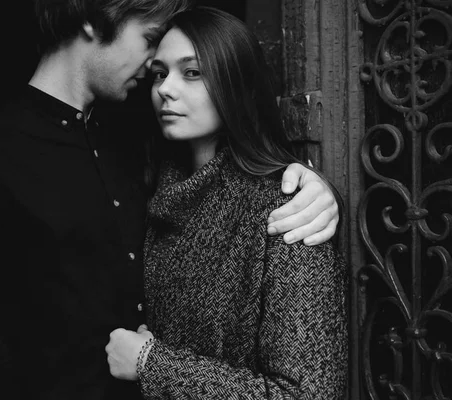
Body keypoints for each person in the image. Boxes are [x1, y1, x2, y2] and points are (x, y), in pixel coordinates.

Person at [0, 1, 342, 400]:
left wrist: (318, 190)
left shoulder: (280, 206)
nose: (160, 85)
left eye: (191, 72)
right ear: (91, 20)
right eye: (156, 61)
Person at [105, 6, 348, 398]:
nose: (166, 88)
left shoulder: (289, 210)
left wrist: (151, 364)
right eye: (160, 73)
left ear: (238, 84)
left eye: (192, 72)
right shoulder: (160, 200)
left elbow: (307, 394)